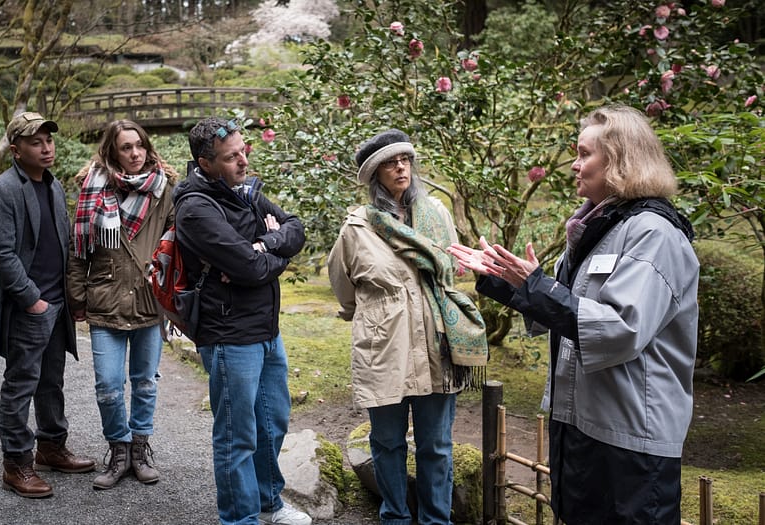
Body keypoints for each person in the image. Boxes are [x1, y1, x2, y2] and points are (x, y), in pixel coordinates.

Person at [448, 104, 699, 525]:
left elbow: (619, 329)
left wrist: (535, 286)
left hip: (630, 437)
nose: (574, 166)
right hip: (580, 424)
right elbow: (566, 312)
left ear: (618, 159)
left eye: (584, 154)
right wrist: (510, 282)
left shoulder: (653, 234)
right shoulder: (595, 228)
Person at [327, 129, 488, 525]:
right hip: (384, 345)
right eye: (390, 163)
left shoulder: (436, 214)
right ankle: (395, 517)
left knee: (436, 443)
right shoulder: (358, 227)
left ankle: (436, 519)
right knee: (387, 442)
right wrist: (383, 309)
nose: (400, 168)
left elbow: (450, 267)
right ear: (375, 175)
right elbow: (343, 287)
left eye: (405, 160)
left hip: (437, 343)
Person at [175, 116, 310, 525]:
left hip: (266, 329)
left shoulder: (246, 192)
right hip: (228, 334)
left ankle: (269, 503)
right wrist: (270, 256)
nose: (243, 161)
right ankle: (239, 518)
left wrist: (266, 245)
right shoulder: (195, 208)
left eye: (243, 151)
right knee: (238, 433)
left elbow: (295, 230)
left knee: (273, 422)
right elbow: (249, 268)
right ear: (206, 162)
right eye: (231, 157)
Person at [0, 111, 96, 498]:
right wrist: (32, 300)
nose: (46, 148)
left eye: (49, 140)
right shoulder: (3, 190)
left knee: (51, 382)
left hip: (57, 302)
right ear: (16, 150)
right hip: (30, 306)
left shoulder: (53, 184)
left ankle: (51, 446)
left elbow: (62, 242)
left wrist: (71, 296)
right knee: (20, 385)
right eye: (36, 142)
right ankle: (16, 463)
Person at [66, 120, 177, 490]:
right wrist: (77, 298)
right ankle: (119, 449)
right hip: (105, 300)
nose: (134, 153)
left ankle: (140, 450)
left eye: (139, 145)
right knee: (108, 385)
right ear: (112, 151)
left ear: (147, 147)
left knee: (145, 382)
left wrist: (172, 290)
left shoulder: (163, 189)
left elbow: (177, 243)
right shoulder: (93, 188)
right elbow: (78, 251)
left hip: (148, 300)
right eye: (126, 147)